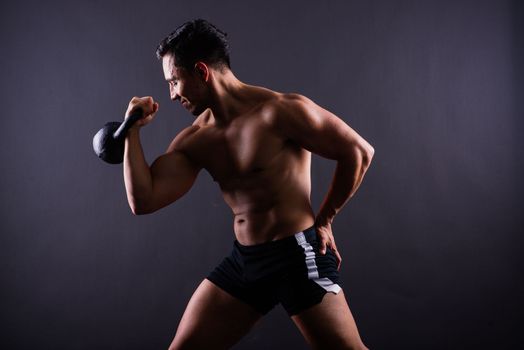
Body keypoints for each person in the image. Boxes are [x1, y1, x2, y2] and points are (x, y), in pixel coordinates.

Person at [123, 19, 374, 350]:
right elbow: (145, 200)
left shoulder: (279, 112)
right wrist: (131, 131)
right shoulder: (197, 139)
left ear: (201, 71)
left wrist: (325, 219)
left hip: (296, 256)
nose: (171, 95)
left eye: (174, 81)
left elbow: (358, 151)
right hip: (246, 262)